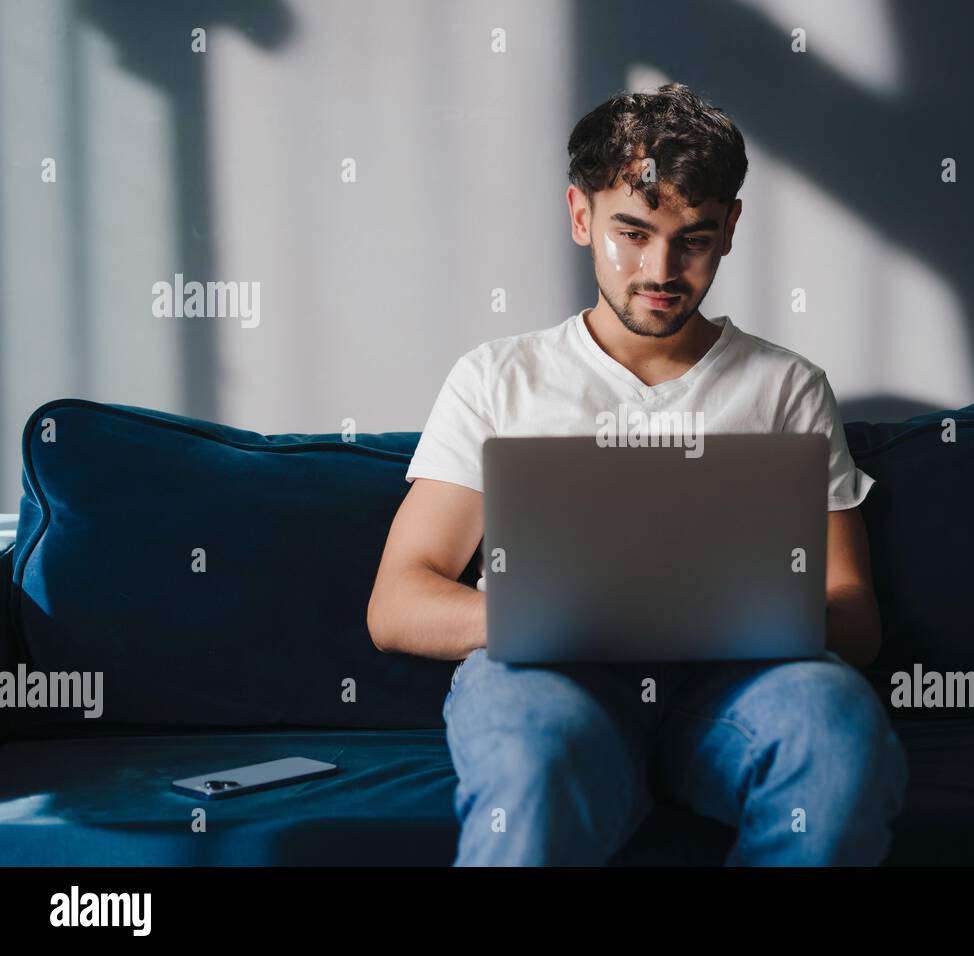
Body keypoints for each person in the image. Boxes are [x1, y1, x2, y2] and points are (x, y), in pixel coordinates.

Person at [367, 82, 908, 866]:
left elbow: (854, 617)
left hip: (738, 691)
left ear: (730, 229)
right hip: (554, 685)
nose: (661, 269)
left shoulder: (787, 387)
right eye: (633, 232)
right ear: (581, 216)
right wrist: (573, 617)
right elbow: (398, 603)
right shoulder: (498, 378)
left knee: (835, 731)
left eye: (693, 238)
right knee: (529, 755)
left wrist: (730, 615)